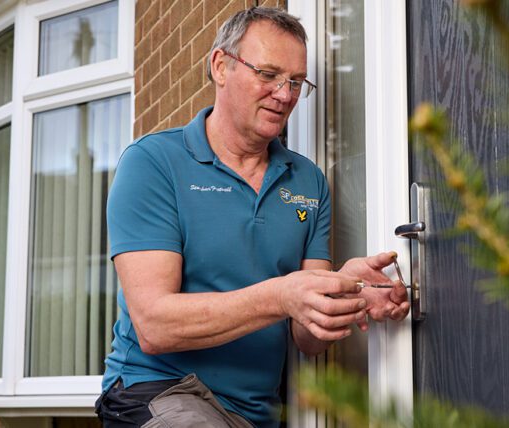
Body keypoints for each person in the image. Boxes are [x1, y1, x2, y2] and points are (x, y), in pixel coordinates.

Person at [95, 6, 409, 428]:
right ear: (221, 66)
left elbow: (307, 339)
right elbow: (154, 325)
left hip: (253, 413)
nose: (285, 94)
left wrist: (346, 294)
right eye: (268, 74)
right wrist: (282, 295)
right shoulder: (153, 163)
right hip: (158, 390)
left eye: (296, 82)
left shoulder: (308, 181)